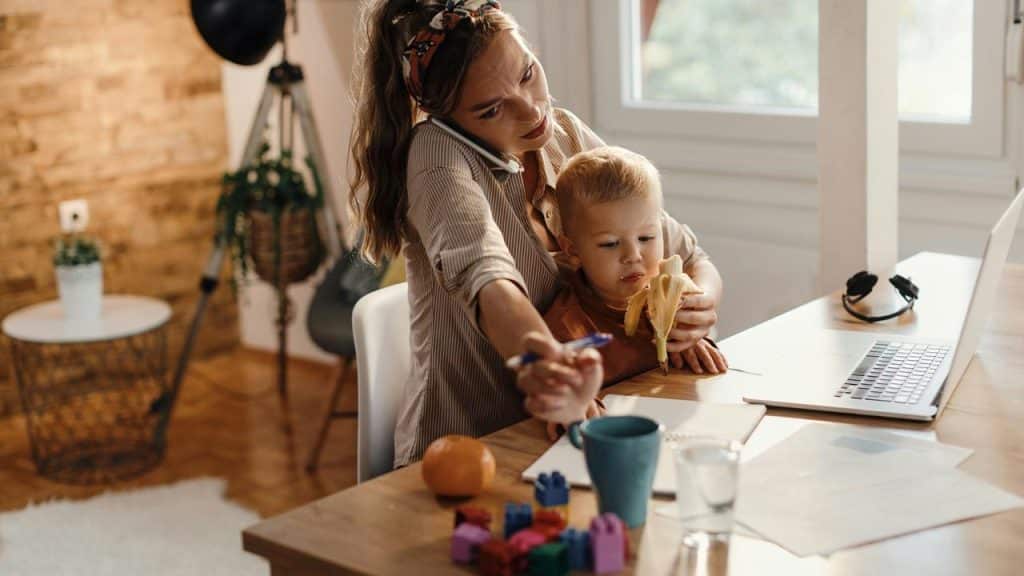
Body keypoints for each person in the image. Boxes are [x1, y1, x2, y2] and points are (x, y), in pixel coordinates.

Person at [349, 0, 723, 466]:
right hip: (472, 450)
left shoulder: (563, 134)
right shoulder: (436, 155)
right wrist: (549, 366)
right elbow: (490, 284)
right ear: (449, 117)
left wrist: (700, 306)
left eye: (527, 73)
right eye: (491, 109)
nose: (531, 112)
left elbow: (686, 252)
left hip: (573, 430)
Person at [545, 146, 728, 387]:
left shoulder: (672, 305)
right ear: (573, 251)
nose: (633, 256)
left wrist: (691, 334)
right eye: (610, 244)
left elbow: (700, 264)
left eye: (646, 238)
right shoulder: (567, 330)